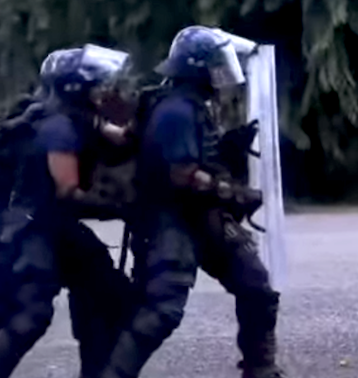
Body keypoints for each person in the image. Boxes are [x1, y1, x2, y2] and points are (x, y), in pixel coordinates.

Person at [98, 26, 285, 378]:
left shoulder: (193, 105)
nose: (224, 72)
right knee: (161, 311)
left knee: (256, 287)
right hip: (170, 219)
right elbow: (181, 175)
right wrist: (229, 190)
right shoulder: (177, 110)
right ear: (198, 69)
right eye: (216, 65)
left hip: (203, 215)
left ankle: (261, 369)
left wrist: (226, 155)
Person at [0, 45, 135, 378]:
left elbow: (121, 137)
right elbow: (69, 193)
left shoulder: (74, 117)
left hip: (56, 226)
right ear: (75, 89)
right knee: (30, 313)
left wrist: (147, 116)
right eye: (98, 84)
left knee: (107, 294)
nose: (105, 90)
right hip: (32, 227)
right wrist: (119, 204)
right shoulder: (58, 127)